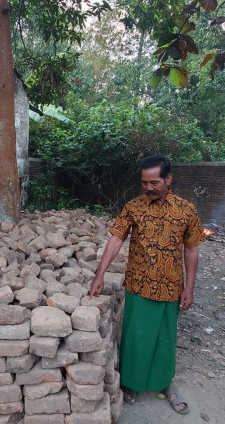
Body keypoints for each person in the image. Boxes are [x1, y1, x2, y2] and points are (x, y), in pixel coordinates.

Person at [89, 154, 205, 415]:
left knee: (164, 339)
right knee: (136, 337)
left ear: (168, 179)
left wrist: (189, 287)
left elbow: (192, 249)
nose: (149, 188)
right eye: (144, 183)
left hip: (170, 287)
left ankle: (164, 383)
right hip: (139, 285)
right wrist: (100, 274)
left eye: (154, 182)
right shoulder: (133, 208)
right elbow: (116, 240)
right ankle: (131, 383)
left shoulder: (186, 210)